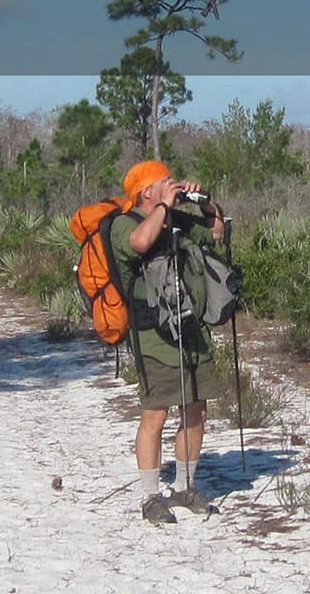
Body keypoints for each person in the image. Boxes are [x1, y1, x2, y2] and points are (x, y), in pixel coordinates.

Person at [110, 158, 231, 524]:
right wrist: (164, 206)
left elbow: (216, 232)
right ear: (147, 191)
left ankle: (185, 486)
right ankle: (150, 496)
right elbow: (140, 242)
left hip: (190, 329)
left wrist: (205, 203)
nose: (174, 184)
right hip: (153, 335)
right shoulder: (123, 224)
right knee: (156, 414)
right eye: (166, 181)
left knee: (197, 409)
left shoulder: (176, 221)